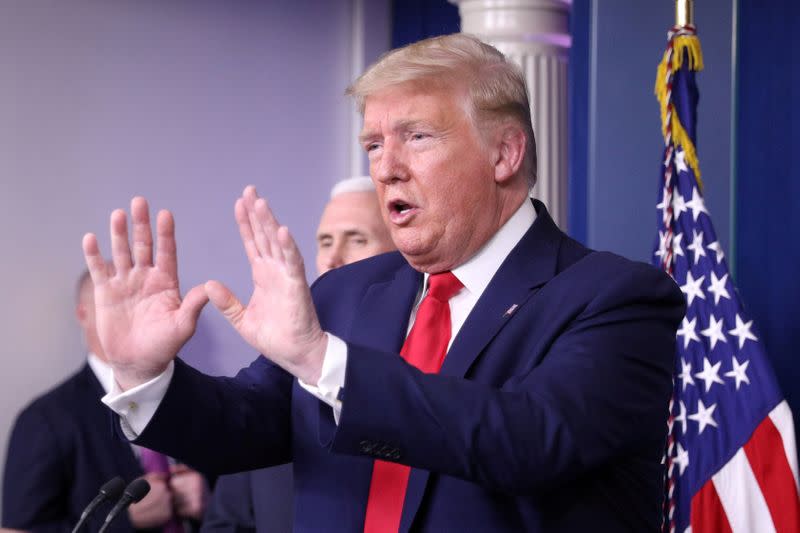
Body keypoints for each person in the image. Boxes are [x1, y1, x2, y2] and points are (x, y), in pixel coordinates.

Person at [81, 34, 685, 532]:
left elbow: (529, 440)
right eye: (373, 143)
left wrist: (323, 360)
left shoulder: (617, 298)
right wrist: (145, 375)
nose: (386, 167)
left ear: (504, 154)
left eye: (417, 136)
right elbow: (243, 427)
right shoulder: (345, 294)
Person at [202, 177, 395, 533]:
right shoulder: (276, 376)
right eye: (325, 241)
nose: (333, 258)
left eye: (357, 239)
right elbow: (225, 523)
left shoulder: (420, 374)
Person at [2, 270, 210, 533]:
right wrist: (121, 521)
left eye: (138, 303)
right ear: (83, 315)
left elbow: (243, 500)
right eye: (113, 305)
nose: (130, 316)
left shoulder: (190, 398)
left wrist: (208, 500)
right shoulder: (43, 419)